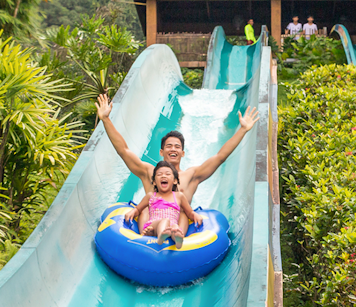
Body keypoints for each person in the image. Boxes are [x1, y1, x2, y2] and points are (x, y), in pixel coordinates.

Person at [95, 93, 259, 237]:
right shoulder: (149, 172)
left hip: (177, 228)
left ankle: (174, 235)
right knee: (146, 207)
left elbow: (220, 157)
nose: (173, 149)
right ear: (161, 152)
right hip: (149, 226)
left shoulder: (191, 175)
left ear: (183, 153)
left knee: (182, 211)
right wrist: (106, 119)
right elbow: (123, 151)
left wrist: (243, 130)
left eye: (177, 147)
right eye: (169, 146)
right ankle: (146, 237)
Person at [124, 161, 203, 249]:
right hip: (153, 226)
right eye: (159, 174)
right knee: (165, 221)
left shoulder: (179, 196)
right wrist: (132, 212)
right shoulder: (151, 196)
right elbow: (138, 209)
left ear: (175, 180)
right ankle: (162, 235)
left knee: (175, 228)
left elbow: (189, 212)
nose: (163, 176)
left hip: (171, 226)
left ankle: (178, 239)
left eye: (168, 174)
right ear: (154, 182)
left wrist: (195, 215)